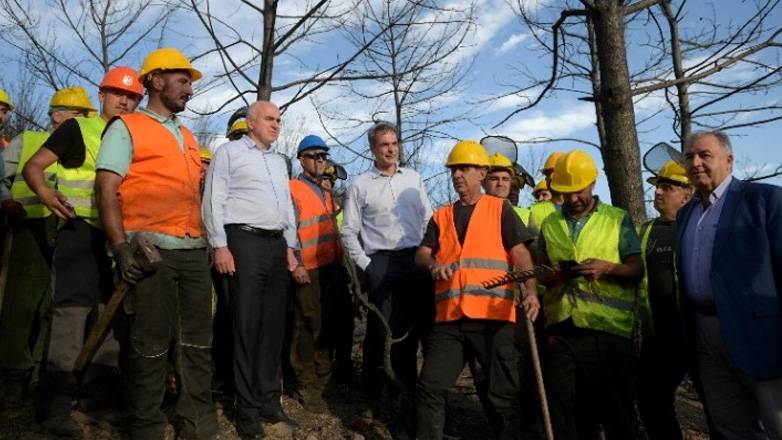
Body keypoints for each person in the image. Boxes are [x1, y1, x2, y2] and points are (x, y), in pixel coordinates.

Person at [95, 48, 219, 440]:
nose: (190, 90)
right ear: (157, 80)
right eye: (184, 81)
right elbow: (106, 189)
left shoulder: (186, 135)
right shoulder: (126, 127)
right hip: (150, 254)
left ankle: (197, 424)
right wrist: (120, 248)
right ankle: (146, 426)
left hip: (193, 252)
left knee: (197, 344)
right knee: (149, 344)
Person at [22, 67, 143, 437]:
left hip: (118, 239)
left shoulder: (138, 136)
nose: (124, 101)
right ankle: (54, 405)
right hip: (79, 234)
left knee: (110, 319)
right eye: (117, 94)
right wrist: (44, 193)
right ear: (101, 95)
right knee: (70, 319)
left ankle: (98, 401)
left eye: (132, 97)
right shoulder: (79, 129)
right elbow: (34, 166)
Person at [415, 140, 539, 440]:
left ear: (481, 173)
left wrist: (530, 289)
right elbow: (422, 253)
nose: (458, 174)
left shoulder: (500, 209)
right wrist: (432, 266)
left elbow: (520, 254)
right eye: (454, 169)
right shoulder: (441, 216)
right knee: (430, 387)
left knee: (502, 395)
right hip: (450, 320)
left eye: (465, 168)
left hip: (492, 318)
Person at [202, 100, 298, 439]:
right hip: (242, 241)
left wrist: (291, 248)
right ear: (252, 122)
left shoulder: (277, 162)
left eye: (279, 120)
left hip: (275, 246)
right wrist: (220, 244)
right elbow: (214, 198)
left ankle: (269, 399)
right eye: (270, 119)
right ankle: (246, 409)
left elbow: (286, 206)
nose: (276, 125)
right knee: (246, 325)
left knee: (274, 325)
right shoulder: (229, 153)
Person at [677, 130, 782, 439]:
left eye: (704, 155)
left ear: (729, 160)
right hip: (704, 334)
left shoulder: (764, 200)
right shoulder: (686, 213)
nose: (695, 162)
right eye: (689, 156)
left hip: (760, 334)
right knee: (729, 427)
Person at [536, 149, 643, 440]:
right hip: (561, 330)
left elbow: (636, 270)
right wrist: (555, 275)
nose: (572, 199)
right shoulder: (550, 223)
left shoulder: (616, 219)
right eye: (565, 192)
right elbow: (540, 272)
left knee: (617, 410)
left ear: (593, 183)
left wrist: (606, 268)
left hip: (606, 332)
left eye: (578, 191)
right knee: (562, 407)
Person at [0, 87, 95, 410]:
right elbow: (2, 176)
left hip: (69, 231)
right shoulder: (27, 141)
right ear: (57, 114)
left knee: (53, 308)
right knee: (21, 306)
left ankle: (45, 374)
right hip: (31, 228)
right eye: (79, 115)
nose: (84, 121)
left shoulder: (86, 146)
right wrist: (6, 200)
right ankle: (13, 376)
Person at [340, 121, 433, 433]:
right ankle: (388, 402)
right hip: (382, 263)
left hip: (417, 261)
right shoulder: (361, 185)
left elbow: (429, 219)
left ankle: (423, 403)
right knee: (388, 336)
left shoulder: (414, 179)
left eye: (394, 144)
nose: (391, 149)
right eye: (384, 145)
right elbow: (349, 232)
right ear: (373, 149)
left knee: (422, 331)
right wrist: (369, 266)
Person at [288, 135, 352, 411]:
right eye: (315, 156)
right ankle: (307, 385)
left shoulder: (326, 193)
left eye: (324, 156)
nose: (320, 161)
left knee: (328, 324)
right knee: (306, 326)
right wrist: (296, 264)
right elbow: (287, 231)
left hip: (331, 268)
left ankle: (326, 379)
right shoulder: (292, 188)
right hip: (308, 269)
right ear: (302, 160)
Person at [636, 161, 692, 440]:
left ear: (686, 194)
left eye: (667, 187)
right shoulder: (645, 231)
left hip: (695, 333)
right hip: (657, 335)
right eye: (658, 186)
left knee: (720, 405)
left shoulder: (696, 227)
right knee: (650, 401)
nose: (658, 192)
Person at [529, 151, 564, 228]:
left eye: (556, 172)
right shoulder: (533, 211)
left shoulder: (580, 207)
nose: (551, 177)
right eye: (547, 174)